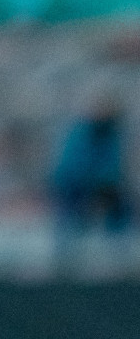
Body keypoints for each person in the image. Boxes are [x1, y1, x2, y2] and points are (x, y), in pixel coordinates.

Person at [51, 95, 131, 236]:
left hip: (99, 184)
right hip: (74, 184)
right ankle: (70, 238)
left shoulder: (111, 135)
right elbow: (71, 166)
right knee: (72, 215)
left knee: (120, 204)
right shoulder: (80, 133)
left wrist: (106, 183)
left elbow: (113, 165)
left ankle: (117, 240)